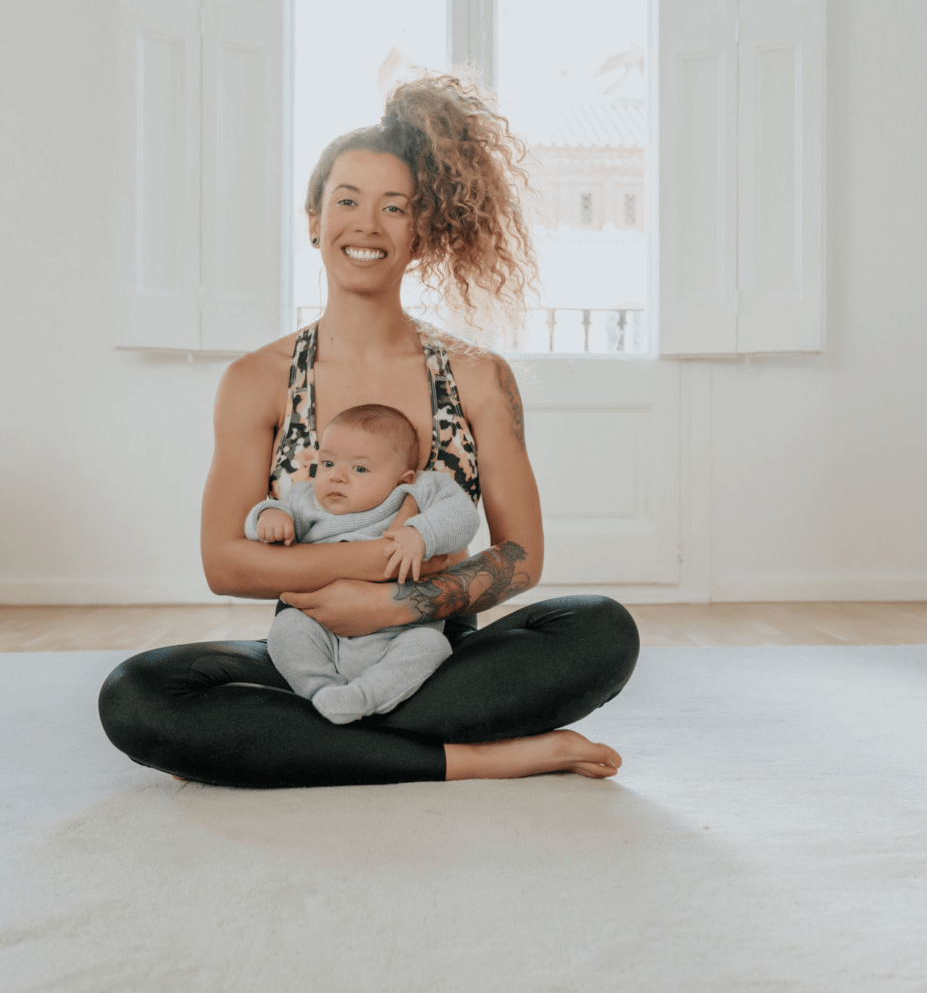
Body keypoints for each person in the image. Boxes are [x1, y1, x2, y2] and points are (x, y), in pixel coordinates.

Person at [98, 71, 640, 788]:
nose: (367, 225)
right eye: (347, 201)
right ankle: (471, 758)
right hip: (311, 652)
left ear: (422, 234)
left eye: (396, 208)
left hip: (434, 654)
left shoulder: (478, 375)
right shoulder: (256, 379)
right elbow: (227, 564)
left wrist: (395, 606)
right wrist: (371, 577)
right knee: (136, 695)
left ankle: (313, 745)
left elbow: (521, 557)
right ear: (314, 219)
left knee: (600, 627)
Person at [247, 403, 479, 725]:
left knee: (431, 645)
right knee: (286, 630)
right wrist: (270, 515)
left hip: (398, 634)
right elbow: (266, 518)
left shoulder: (418, 490)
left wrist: (420, 533)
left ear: (403, 478)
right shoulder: (306, 501)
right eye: (327, 463)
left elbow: (463, 514)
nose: (337, 477)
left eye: (359, 469)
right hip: (322, 631)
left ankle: (364, 697)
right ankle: (323, 692)